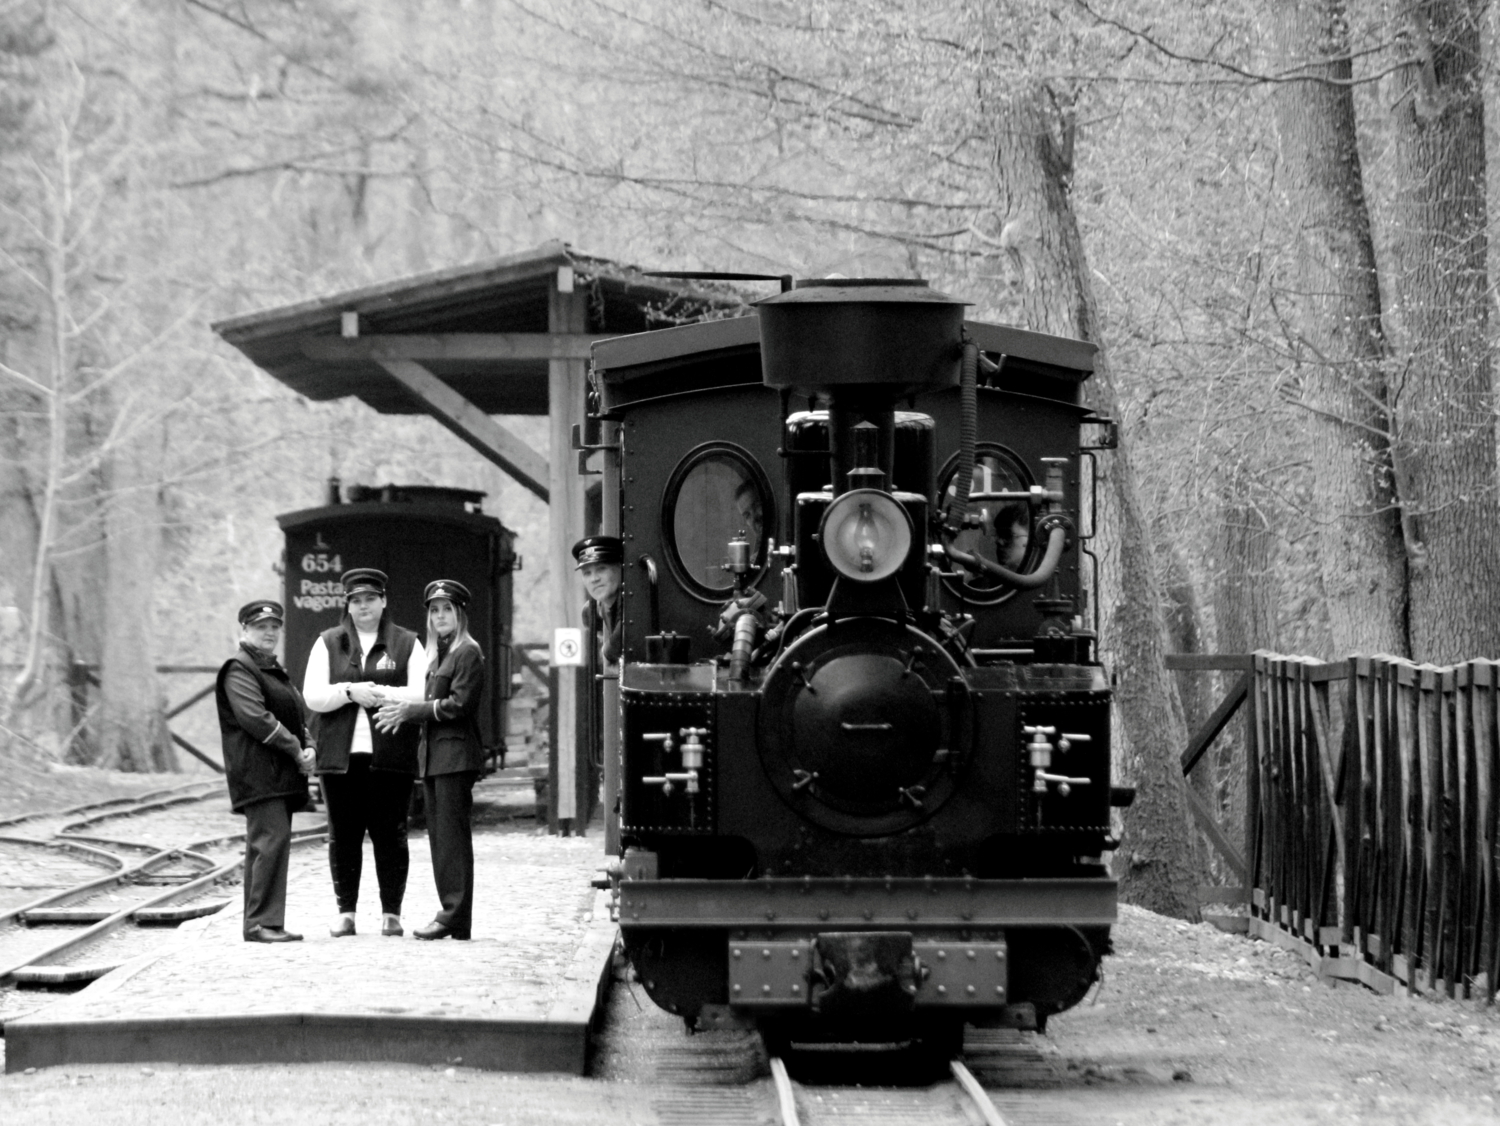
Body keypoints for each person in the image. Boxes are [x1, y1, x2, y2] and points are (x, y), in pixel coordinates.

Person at [301, 568, 427, 939]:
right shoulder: (328, 642)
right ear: (348, 605)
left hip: (391, 754)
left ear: (383, 600)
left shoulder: (407, 643)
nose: (363, 606)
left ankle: (391, 914)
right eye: (356, 601)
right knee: (343, 835)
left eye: (370, 599)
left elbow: (421, 693)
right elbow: (312, 696)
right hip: (339, 757)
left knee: (392, 834)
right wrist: (349, 691)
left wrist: (379, 693)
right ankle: (346, 912)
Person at [376, 579, 485, 941]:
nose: (440, 616)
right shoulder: (439, 654)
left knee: (452, 839)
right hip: (437, 757)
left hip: (456, 756)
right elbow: (428, 702)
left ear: (460, 613)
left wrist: (412, 711)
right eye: (434, 610)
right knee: (441, 840)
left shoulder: (467, 652)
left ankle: (454, 914)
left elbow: (458, 704)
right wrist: (402, 708)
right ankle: (454, 917)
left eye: (447, 609)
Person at [214, 600, 316, 943]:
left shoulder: (271, 669)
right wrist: (296, 749)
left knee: (272, 842)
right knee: (270, 841)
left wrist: (310, 746)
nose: (269, 632)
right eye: (261, 627)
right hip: (258, 773)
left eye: (274, 627)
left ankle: (265, 922)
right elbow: (256, 719)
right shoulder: (239, 669)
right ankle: (260, 923)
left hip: (278, 773)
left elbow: (295, 715)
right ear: (245, 630)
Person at [574, 535, 623, 667]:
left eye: (601, 569)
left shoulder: (633, 602)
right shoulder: (594, 611)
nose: (594, 579)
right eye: (587, 573)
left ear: (620, 568)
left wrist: (607, 651)